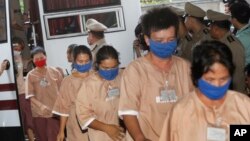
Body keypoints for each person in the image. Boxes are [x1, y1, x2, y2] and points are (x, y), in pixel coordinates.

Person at [118, 7, 194, 141]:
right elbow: (128, 112)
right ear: (147, 40)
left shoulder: (185, 68)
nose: (166, 44)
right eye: (159, 41)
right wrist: (140, 138)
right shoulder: (135, 70)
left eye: (171, 40)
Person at [159, 40, 250, 141]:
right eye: (210, 80)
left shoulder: (244, 106)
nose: (217, 85)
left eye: (223, 79)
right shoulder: (181, 112)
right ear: (196, 77)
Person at [76, 45, 125, 141]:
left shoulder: (123, 76)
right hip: (101, 136)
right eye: (105, 68)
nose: (110, 71)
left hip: (125, 134)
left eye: (114, 67)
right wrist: (107, 128)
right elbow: (83, 115)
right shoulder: (88, 85)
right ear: (97, 65)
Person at [52, 45, 92, 141]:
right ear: (74, 61)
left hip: (97, 121)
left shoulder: (97, 77)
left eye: (87, 61)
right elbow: (64, 108)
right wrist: (61, 131)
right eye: (80, 61)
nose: (84, 64)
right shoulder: (68, 81)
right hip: (75, 124)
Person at [25, 47, 63, 141]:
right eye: (36, 59)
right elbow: (29, 95)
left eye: (41, 58)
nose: (39, 60)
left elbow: (63, 91)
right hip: (38, 114)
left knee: (54, 137)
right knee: (42, 137)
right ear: (33, 61)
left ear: (46, 57)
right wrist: (41, 106)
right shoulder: (30, 75)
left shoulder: (55, 71)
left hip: (54, 113)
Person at [207, 9, 245, 93]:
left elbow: (238, 76)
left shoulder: (232, 45)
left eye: (210, 26)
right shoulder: (220, 42)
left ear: (215, 29)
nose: (208, 29)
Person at [12, 37, 35, 141]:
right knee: (23, 118)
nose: (18, 51)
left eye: (19, 49)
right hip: (18, 92)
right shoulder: (9, 59)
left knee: (27, 117)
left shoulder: (19, 58)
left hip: (22, 91)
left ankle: (31, 138)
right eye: (16, 48)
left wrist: (30, 60)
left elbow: (22, 70)